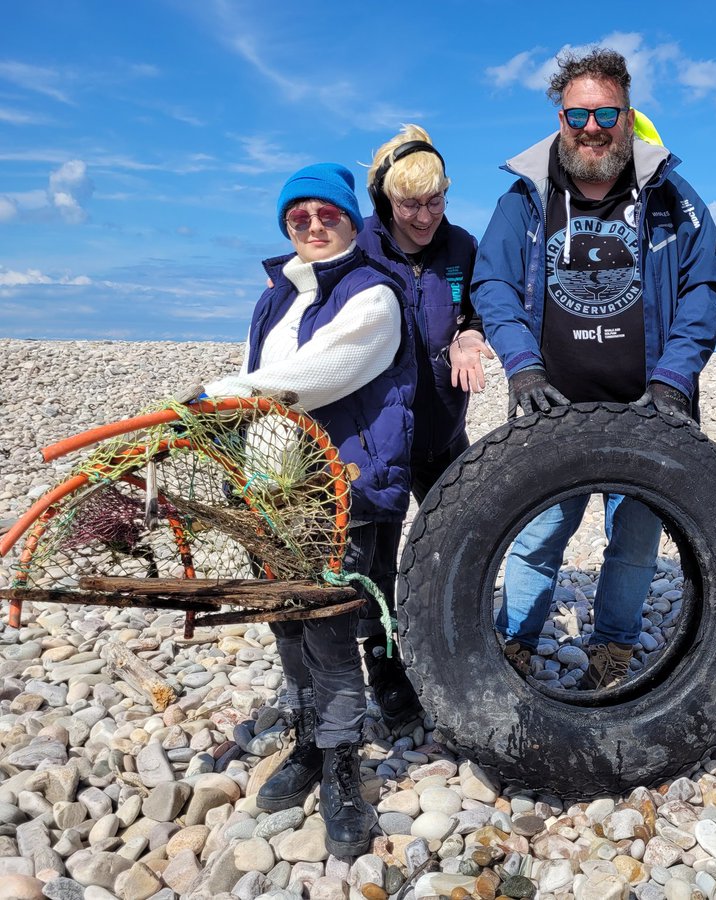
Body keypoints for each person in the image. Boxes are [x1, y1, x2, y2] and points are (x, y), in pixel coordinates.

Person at [472, 48, 716, 690]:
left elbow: (705, 286)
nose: (593, 126)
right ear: (560, 118)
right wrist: (523, 368)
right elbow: (493, 283)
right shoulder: (526, 197)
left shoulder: (671, 195)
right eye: (579, 113)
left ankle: (612, 649)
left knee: (635, 542)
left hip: (649, 406)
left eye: (606, 111)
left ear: (628, 115)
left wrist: (673, 380)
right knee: (535, 535)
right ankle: (519, 645)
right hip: (550, 406)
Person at [204, 163, 415, 856]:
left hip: (335, 490)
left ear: (353, 221)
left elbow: (325, 372)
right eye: (299, 218)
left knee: (327, 631)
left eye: (327, 215)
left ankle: (343, 768)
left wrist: (227, 392)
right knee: (284, 624)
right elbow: (254, 374)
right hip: (269, 489)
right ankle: (306, 744)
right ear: (285, 227)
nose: (314, 226)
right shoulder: (274, 299)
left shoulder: (371, 292)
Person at [355, 125, 489, 728]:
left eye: (435, 201)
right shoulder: (357, 248)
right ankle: (386, 672)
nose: (425, 216)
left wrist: (470, 332)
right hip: (374, 438)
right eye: (411, 204)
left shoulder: (461, 246)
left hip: (440, 430)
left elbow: (485, 301)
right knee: (374, 566)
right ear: (385, 199)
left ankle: (454, 653)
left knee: (455, 546)